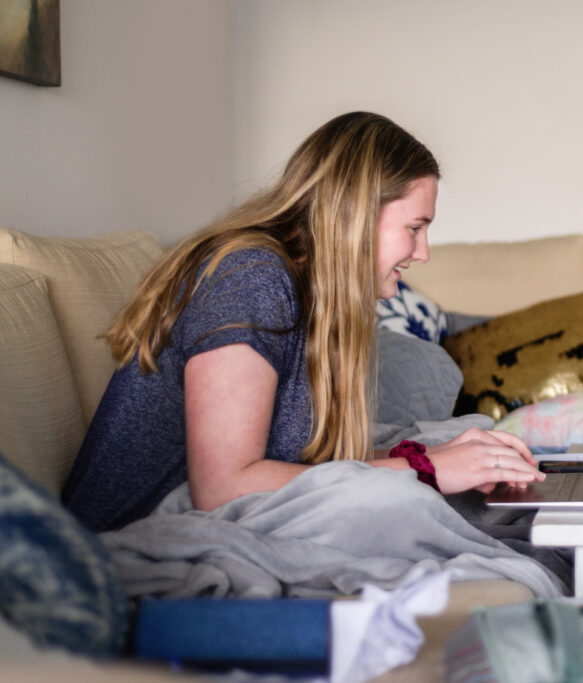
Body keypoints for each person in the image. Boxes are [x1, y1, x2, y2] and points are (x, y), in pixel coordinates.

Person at [62, 112, 545, 533]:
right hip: (138, 536)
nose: (423, 253)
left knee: (462, 448)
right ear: (355, 215)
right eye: (415, 229)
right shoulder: (251, 277)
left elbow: (306, 464)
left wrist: (443, 458)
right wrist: (427, 468)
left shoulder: (311, 292)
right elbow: (224, 487)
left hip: (215, 517)